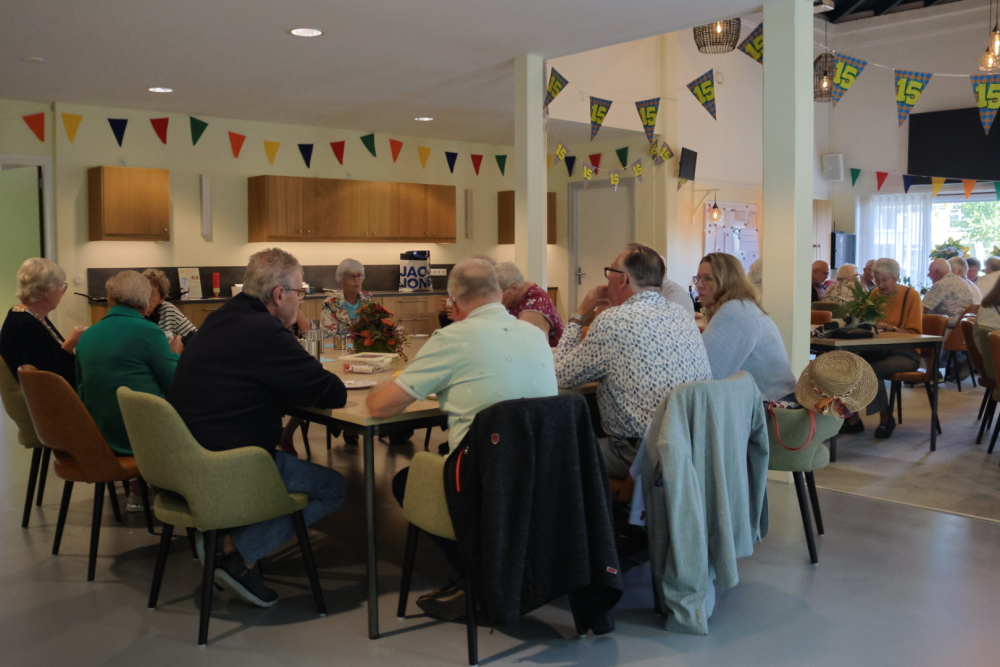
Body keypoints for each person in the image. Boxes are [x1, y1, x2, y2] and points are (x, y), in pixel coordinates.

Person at [366, 257, 557, 620]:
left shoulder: (452, 338)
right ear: (500, 293)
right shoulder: (535, 334)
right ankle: (502, 569)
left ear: (453, 303)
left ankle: (481, 579)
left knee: (407, 480)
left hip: (483, 482)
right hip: (541, 475)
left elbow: (380, 407)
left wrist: (385, 384)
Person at [169, 248, 348, 608]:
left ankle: (229, 540)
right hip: (229, 464)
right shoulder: (265, 332)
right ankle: (235, 550)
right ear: (279, 294)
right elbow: (333, 392)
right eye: (300, 291)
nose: (301, 299)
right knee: (333, 488)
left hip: (184, 456)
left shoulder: (221, 317)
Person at [553, 243, 711, 479]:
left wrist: (579, 315)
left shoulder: (614, 321)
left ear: (623, 279)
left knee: (553, 448)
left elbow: (559, 376)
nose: (607, 280)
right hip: (690, 448)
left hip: (642, 454)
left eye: (610, 272)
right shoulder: (682, 315)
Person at [76, 271, 181, 510]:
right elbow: (176, 385)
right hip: (141, 439)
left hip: (100, 438)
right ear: (146, 303)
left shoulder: (87, 336)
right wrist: (175, 354)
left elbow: (81, 390)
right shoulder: (149, 332)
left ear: (109, 300)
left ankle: (139, 489)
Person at [838, 258, 922, 439]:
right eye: (877, 280)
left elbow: (915, 333)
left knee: (872, 370)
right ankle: (852, 419)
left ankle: (886, 419)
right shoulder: (875, 294)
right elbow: (864, 320)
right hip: (877, 350)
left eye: (885, 280)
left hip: (905, 354)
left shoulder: (911, 296)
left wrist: (894, 329)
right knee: (845, 365)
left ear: (896, 277)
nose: (881, 285)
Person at [696, 252, 796, 403]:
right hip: (774, 401)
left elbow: (704, 372)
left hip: (773, 408)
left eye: (708, 279)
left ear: (728, 281)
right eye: (698, 278)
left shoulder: (735, 310)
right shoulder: (742, 306)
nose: (699, 285)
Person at [0, 258, 85, 388]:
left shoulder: (34, 316)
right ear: (46, 290)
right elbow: (45, 378)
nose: (63, 292)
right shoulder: (25, 323)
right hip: (53, 397)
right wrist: (69, 345)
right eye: (62, 286)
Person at [494, 261, 564, 346]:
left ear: (514, 289)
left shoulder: (535, 304)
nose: (494, 298)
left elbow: (528, 345)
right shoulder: (516, 294)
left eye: (498, 293)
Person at [320, 258, 373, 337]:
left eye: (359, 276)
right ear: (342, 281)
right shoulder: (330, 303)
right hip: (340, 345)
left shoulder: (368, 299)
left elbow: (375, 330)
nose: (356, 280)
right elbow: (327, 336)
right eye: (352, 277)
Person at [142, 269, 197, 343]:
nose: (144, 298)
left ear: (162, 298)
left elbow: (197, 339)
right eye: (142, 292)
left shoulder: (168, 310)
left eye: (150, 294)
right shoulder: (132, 312)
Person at [923, 258, 973, 329]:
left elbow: (921, 309)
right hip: (962, 328)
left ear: (937, 272)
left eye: (930, 272)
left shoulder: (941, 285)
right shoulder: (964, 283)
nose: (928, 275)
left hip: (945, 328)